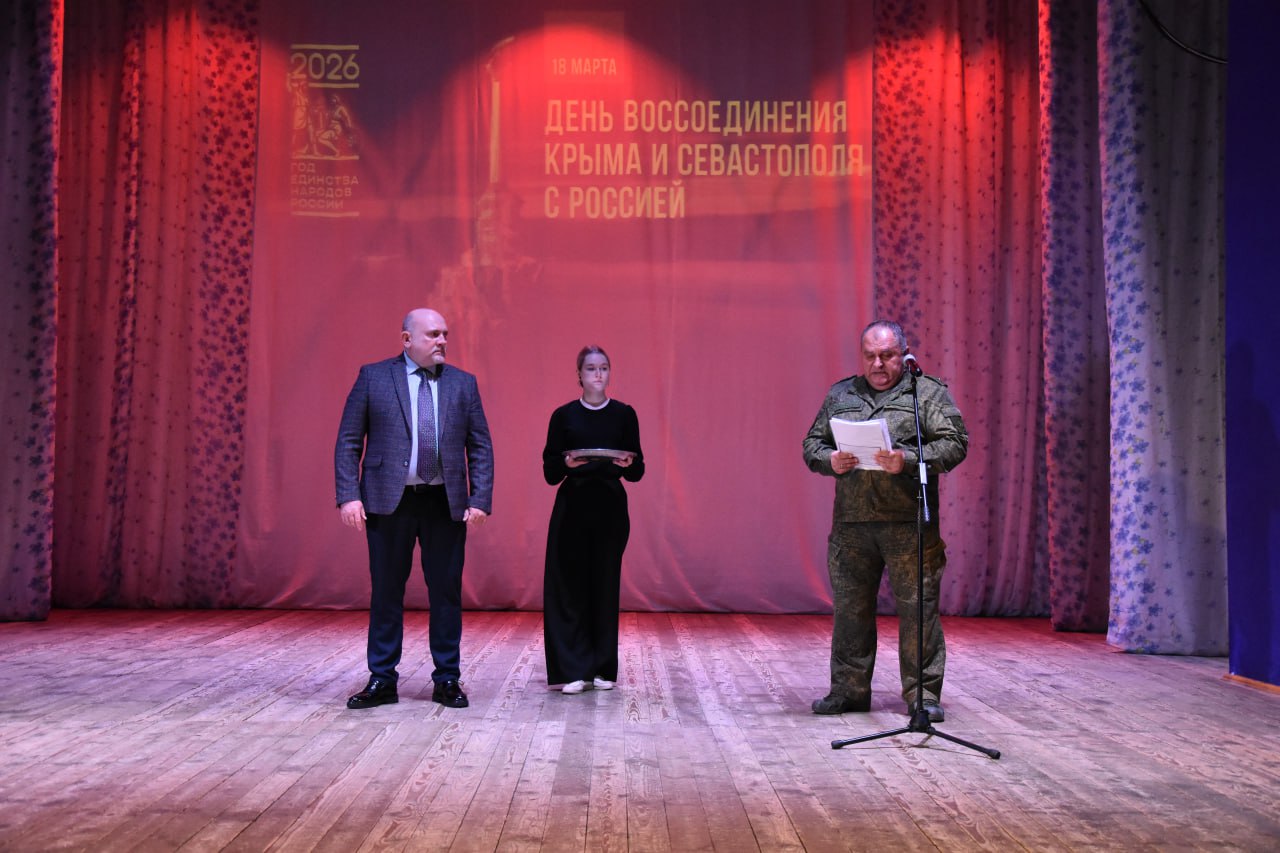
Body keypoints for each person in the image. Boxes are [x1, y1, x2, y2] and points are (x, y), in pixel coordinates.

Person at [802, 320, 968, 722]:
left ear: (903, 354)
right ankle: (848, 691)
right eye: (870, 356)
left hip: (908, 523)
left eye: (887, 355)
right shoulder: (841, 394)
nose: (878, 364)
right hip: (852, 524)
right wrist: (829, 460)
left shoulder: (925, 393)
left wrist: (907, 459)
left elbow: (955, 442)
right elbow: (812, 444)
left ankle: (923, 695)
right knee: (850, 610)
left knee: (918, 611)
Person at [335, 308, 494, 710]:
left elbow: (480, 445)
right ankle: (382, 678)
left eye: (445, 334)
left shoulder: (463, 383)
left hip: (444, 502)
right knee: (386, 591)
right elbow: (349, 441)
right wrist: (349, 495)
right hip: (389, 501)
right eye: (433, 334)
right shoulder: (373, 377)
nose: (442, 341)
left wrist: (479, 499)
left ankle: (447, 678)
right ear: (407, 339)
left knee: (446, 593)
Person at [541, 346, 644, 694]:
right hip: (573, 505)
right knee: (570, 587)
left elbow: (638, 470)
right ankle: (574, 670)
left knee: (604, 585)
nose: (598, 374)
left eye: (603, 368)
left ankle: (602, 668)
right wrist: (566, 464)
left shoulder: (624, 414)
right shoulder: (563, 416)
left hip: (610, 506)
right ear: (579, 375)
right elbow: (550, 472)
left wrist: (628, 464)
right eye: (590, 368)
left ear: (609, 373)